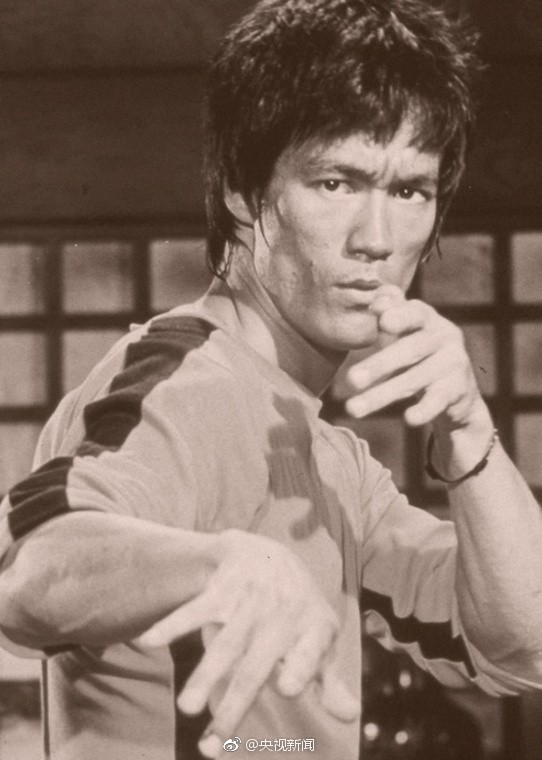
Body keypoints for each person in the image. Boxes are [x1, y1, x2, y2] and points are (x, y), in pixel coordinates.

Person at [1, 1, 541, 758]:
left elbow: (524, 646)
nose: (377, 240)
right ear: (242, 190)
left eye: (409, 191)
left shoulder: (328, 454)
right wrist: (222, 563)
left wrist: (470, 439)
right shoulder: (186, 383)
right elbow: (29, 572)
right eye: (336, 182)